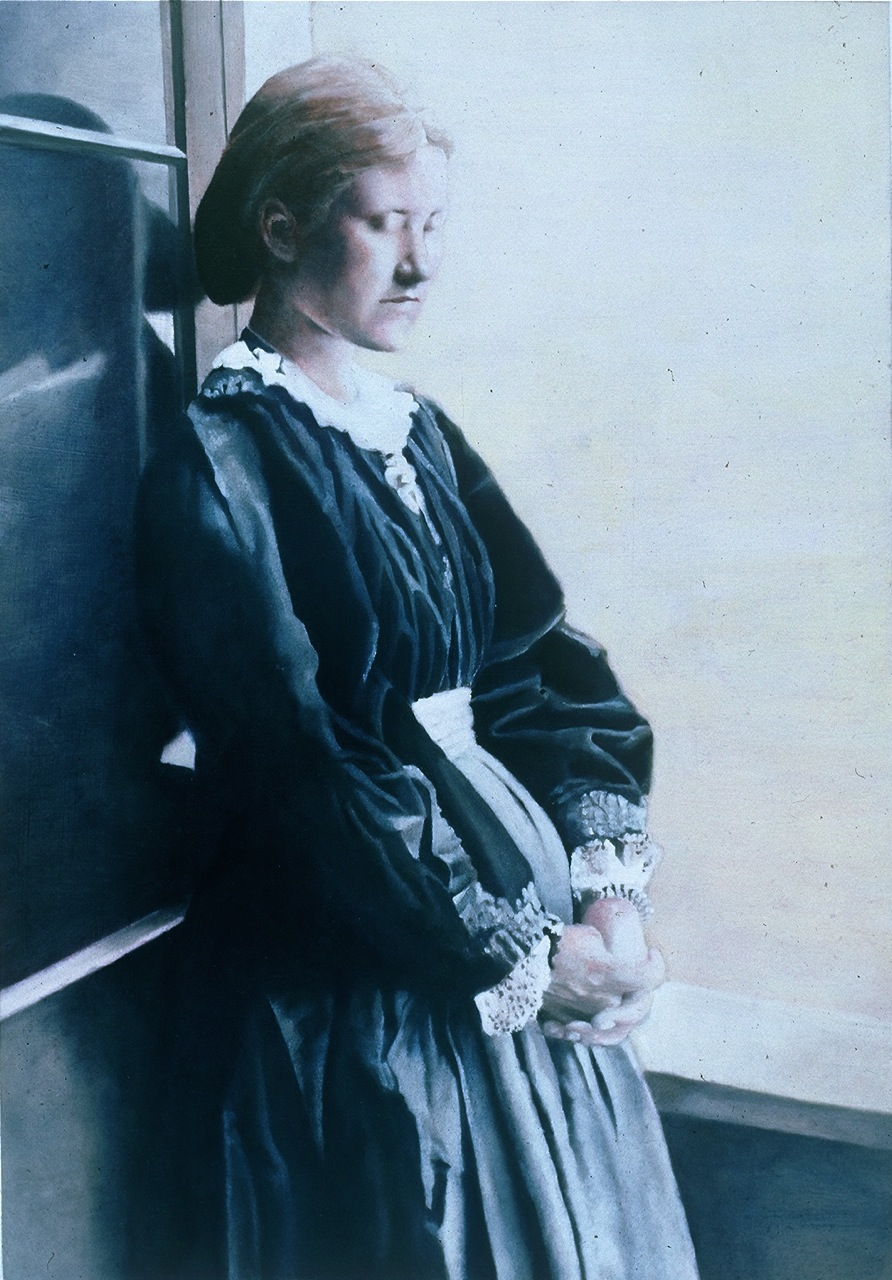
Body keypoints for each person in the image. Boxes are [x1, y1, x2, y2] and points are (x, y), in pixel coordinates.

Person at [135, 54, 699, 1280]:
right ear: (281, 228)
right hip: (350, 969)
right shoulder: (221, 465)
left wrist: (607, 901)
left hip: (513, 959)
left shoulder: (417, 433)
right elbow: (303, 761)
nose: (419, 262)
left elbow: (541, 671)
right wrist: (513, 952)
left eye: (434, 224)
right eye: (386, 222)